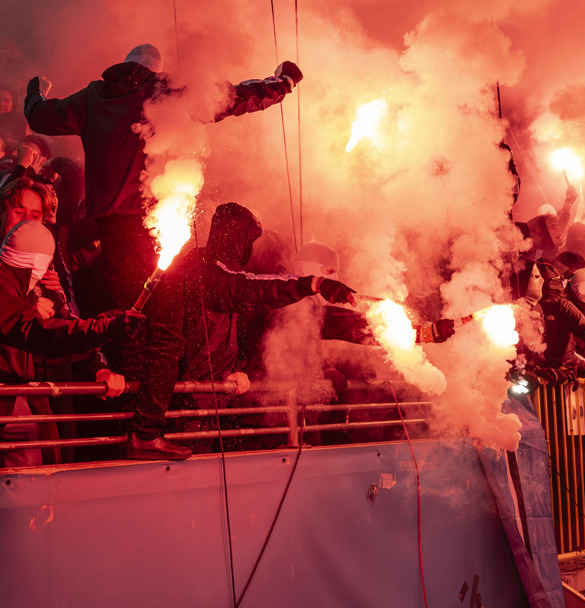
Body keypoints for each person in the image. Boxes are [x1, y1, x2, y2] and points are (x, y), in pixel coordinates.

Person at [24, 44, 303, 312]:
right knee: (160, 305)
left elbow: (40, 117)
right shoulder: (165, 89)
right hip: (154, 217)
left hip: (109, 220)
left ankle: (124, 346)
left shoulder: (93, 96)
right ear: (156, 70)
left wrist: (36, 91)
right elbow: (232, 98)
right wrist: (282, 83)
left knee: (126, 302)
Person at [124, 202, 354, 460]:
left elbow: (233, 329)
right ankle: (145, 434)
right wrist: (312, 284)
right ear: (234, 237)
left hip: (212, 404)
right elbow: (252, 289)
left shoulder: (213, 271)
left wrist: (238, 367)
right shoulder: (206, 272)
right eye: (247, 238)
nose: (250, 248)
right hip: (187, 409)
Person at [0, 221, 144, 466]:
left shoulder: (20, 289)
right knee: (34, 479)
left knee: (48, 463)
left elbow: (57, 334)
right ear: (36, 263)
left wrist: (105, 326)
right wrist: (106, 327)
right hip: (10, 399)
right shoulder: (7, 290)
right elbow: (40, 334)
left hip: (21, 396)